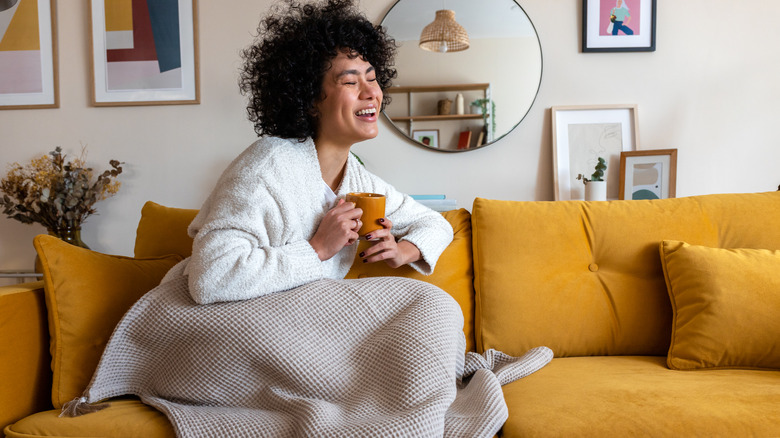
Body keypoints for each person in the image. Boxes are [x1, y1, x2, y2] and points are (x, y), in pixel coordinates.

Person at [184, 0, 454, 304]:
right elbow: (210, 278)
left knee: (434, 304)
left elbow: (436, 224)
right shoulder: (266, 165)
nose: (371, 93)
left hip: (294, 316)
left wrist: (404, 250)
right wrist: (318, 248)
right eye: (351, 81)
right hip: (212, 320)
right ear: (310, 100)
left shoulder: (361, 184)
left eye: (372, 77)